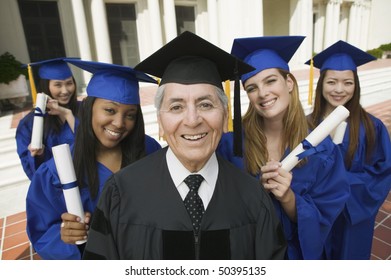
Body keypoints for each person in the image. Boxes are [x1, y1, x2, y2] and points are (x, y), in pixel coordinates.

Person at [82, 31, 287, 260]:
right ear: (160, 121)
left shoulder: (252, 197)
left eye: (206, 104)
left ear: (225, 115)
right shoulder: (120, 193)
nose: (192, 120)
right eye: (176, 107)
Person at [217, 36, 350, 259]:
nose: (262, 93)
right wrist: (253, 192)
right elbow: (219, 206)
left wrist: (289, 199)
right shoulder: (231, 145)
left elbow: (327, 215)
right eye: (252, 87)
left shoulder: (322, 148)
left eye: (270, 81)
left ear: (289, 83)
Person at [26, 59, 162, 260]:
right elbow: (43, 230)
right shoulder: (56, 171)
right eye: (110, 110)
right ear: (90, 108)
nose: (119, 123)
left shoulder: (149, 149)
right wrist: (66, 235)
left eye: (130, 115)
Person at [306, 40, 391, 259]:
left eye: (348, 83)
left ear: (356, 85)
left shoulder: (373, 127)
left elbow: (382, 173)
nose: (339, 90)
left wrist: (338, 186)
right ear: (321, 84)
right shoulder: (305, 125)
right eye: (332, 82)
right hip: (315, 214)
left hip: (353, 217)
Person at [16, 58, 81, 180]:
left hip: (88, 181)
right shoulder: (29, 123)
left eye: (69, 83)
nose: (65, 90)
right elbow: (30, 167)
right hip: (55, 187)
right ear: (46, 86)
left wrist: (67, 114)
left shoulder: (84, 109)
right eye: (58, 85)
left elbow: (92, 144)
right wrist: (39, 155)